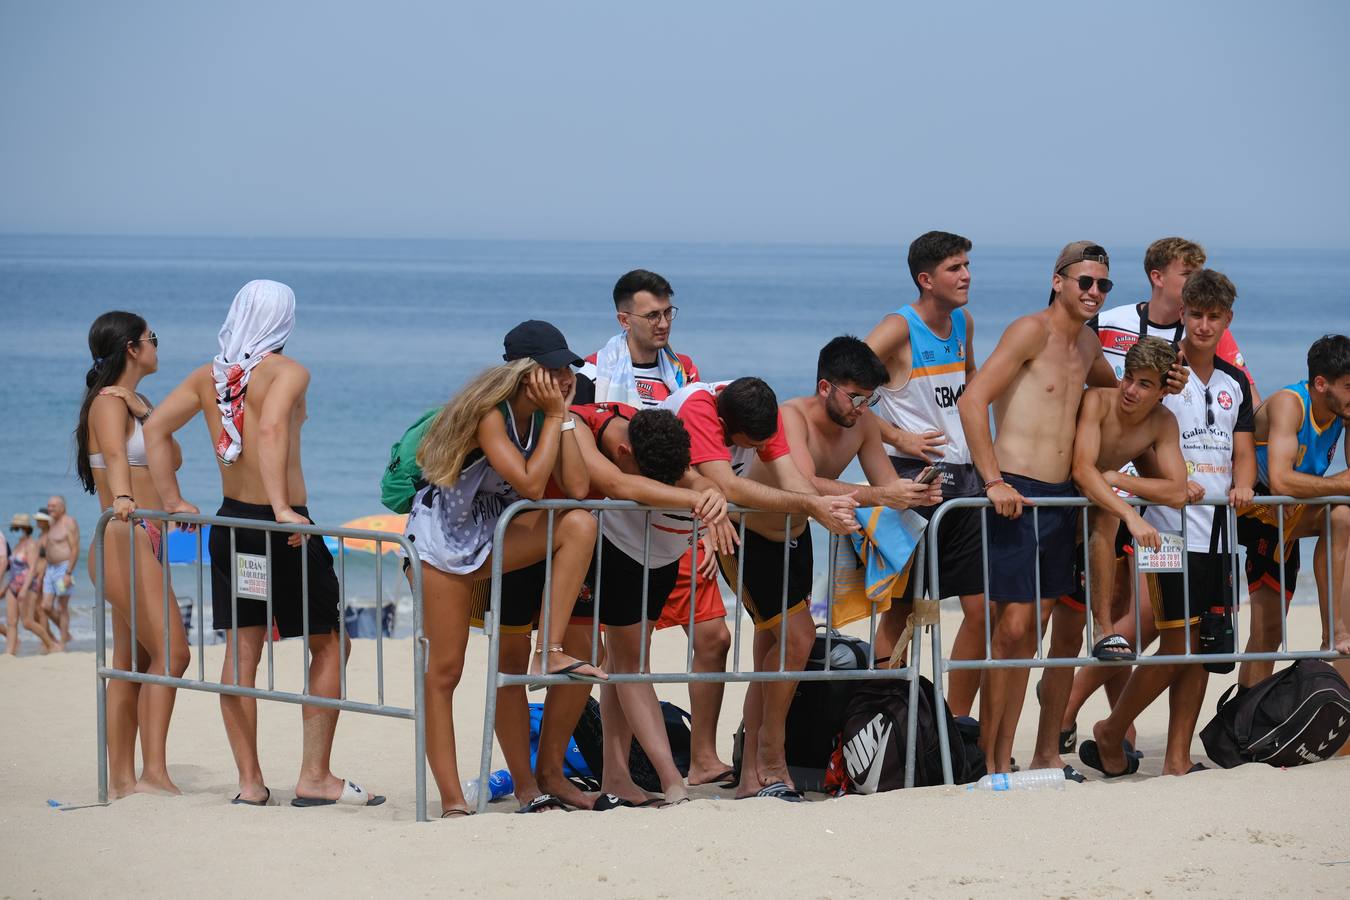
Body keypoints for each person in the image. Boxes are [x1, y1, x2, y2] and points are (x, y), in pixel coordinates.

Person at [145, 281, 376, 809]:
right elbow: (270, 429)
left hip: (232, 524)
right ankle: (315, 776)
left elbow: (155, 428)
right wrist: (281, 509)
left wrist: (174, 499)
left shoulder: (211, 378)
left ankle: (250, 783)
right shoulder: (288, 372)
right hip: (284, 527)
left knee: (241, 653)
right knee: (328, 643)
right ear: (284, 319)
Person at [400, 319, 603, 817]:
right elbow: (533, 487)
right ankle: (450, 799)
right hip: (440, 545)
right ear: (526, 372)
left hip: (490, 533)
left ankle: (550, 650)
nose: (563, 377)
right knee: (444, 672)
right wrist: (557, 417)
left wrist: (567, 417)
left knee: (578, 523)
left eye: (567, 368)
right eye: (554, 369)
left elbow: (575, 488)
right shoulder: (490, 414)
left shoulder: (546, 415)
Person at [1063, 237, 1262, 740]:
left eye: (1213, 317)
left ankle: (1170, 753)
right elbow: (1121, 430)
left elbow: (1243, 446)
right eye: (1195, 314)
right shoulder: (1160, 372)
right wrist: (1119, 481)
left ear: (1226, 319)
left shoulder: (1233, 379)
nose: (1202, 325)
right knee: (1150, 630)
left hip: (1213, 530)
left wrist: (1244, 484)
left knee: (1199, 644)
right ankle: (1076, 712)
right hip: (1158, 525)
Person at [956, 241, 1123, 777]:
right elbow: (971, 400)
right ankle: (990, 758)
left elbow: (1116, 401)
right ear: (1058, 281)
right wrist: (992, 480)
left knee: (1031, 635)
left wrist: (1161, 387)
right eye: (1085, 282)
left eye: (1103, 285)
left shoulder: (1091, 347)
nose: (1094, 292)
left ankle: (1013, 754)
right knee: (1011, 629)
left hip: (1060, 501)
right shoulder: (1031, 330)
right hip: (1016, 492)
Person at [662, 377, 859, 800]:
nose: (757, 449)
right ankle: (769, 752)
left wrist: (822, 509)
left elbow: (791, 479)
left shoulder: (755, 410)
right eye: (749, 444)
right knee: (796, 637)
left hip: (765, 532)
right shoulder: (700, 411)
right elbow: (728, 490)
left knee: (773, 648)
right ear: (727, 428)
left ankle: (752, 771)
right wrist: (813, 506)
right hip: (723, 534)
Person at [576, 269, 735, 787]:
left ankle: (705, 755)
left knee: (715, 637)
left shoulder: (683, 370)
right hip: (622, 529)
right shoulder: (595, 371)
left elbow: (699, 453)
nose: (663, 323)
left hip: (680, 524)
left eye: (669, 312)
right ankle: (616, 770)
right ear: (624, 319)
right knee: (625, 656)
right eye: (652, 315)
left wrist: (710, 523)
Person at [561, 403, 738, 807]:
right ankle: (670, 778)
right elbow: (621, 486)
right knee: (630, 669)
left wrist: (712, 501)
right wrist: (708, 502)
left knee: (623, 670)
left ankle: (616, 776)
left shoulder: (695, 487)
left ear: (628, 455)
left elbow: (631, 480)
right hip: (625, 556)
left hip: (651, 563)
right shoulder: (693, 488)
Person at [865, 231, 987, 715]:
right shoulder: (898, 327)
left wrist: (986, 458)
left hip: (965, 480)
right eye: (955, 268)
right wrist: (900, 438)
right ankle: (885, 716)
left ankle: (956, 723)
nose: (967, 275)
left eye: (966, 265)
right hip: (912, 481)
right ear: (926, 279)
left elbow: (972, 389)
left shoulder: (963, 322)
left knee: (980, 611)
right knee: (903, 609)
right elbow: (839, 391)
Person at [77, 311, 190, 795]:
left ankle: (124, 781)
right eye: (152, 339)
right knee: (173, 653)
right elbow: (118, 459)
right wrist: (124, 498)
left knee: (132, 659)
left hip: (143, 536)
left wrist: (147, 414)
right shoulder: (106, 403)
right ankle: (153, 775)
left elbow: (174, 457)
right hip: (126, 533)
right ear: (131, 348)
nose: (156, 346)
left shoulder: (136, 401)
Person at [779, 335, 944, 658]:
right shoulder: (791, 416)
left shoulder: (863, 421)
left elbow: (886, 485)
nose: (862, 408)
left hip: (797, 531)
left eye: (869, 400)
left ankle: (764, 713)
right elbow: (805, 484)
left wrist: (914, 495)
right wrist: (887, 494)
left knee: (783, 647)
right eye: (855, 398)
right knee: (786, 640)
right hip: (753, 530)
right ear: (825, 387)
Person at [1237, 333, 1350, 687]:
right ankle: (1334, 629)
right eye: (1349, 386)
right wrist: (1341, 485)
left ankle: (1332, 631)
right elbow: (1283, 482)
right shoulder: (1290, 403)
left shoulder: (1341, 411)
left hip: (1292, 511)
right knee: (1266, 637)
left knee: (1267, 635)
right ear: (1321, 384)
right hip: (1256, 509)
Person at [38, 496, 80, 646]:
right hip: (50, 569)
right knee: (45, 606)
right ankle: (66, 634)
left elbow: (75, 548)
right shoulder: (51, 523)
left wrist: (68, 573)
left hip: (63, 568)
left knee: (62, 607)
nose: (50, 508)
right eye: (49, 506)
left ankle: (62, 642)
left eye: (53, 506)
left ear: (62, 507)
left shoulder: (68, 522)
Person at [4, 515, 48, 655]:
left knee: (27, 622)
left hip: (27, 587)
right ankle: (9, 652)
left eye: (19, 527)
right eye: (15, 527)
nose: (16, 530)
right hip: (12, 587)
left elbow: (32, 568)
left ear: (26, 529)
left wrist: (23, 589)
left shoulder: (31, 544)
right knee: (11, 622)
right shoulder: (18, 545)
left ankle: (50, 644)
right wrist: (6, 587)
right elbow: (12, 570)